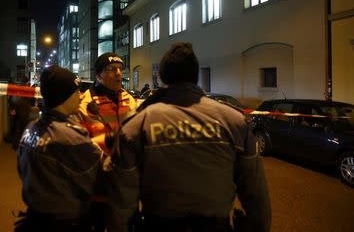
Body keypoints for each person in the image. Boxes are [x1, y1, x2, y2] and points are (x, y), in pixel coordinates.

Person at [107, 42, 271, 232]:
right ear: (195, 76)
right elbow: (256, 195)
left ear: (163, 77)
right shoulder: (234, 121)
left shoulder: (138, 125)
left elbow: (122, 201)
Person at [15, 65, 103, 232]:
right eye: (76, 91)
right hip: (67, 221)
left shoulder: (31, 127)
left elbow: (21, 169)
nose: (81, 95)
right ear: (65, 96)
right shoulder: (71, 136)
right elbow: (99, 177)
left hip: (34, 218)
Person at [78, 52, 138, 232]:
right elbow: (80, 146)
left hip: (126, 182)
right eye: (112, 70)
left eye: (120, 69)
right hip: (98, 185)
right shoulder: (85, 103)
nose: (119, 73)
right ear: (98, 75)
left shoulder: (129, 99)